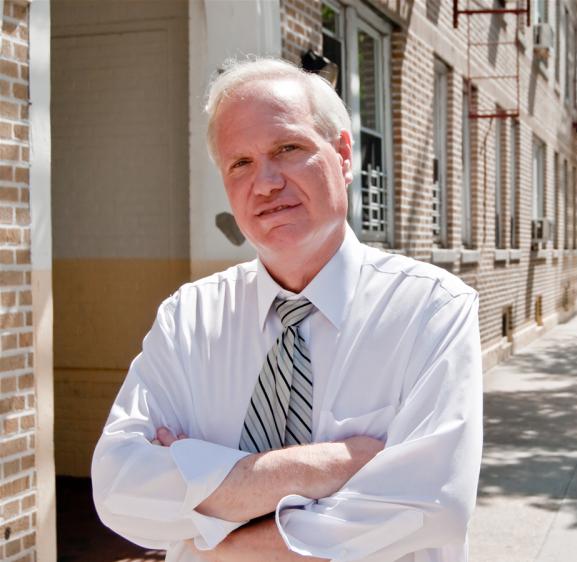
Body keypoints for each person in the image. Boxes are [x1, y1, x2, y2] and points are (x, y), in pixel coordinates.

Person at [91, 57, 483, 562]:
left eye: (288, 148)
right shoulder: (188, 317)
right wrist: (329, 466)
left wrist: (214, 520)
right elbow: (118, 485)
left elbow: (432, 505)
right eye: (241, 163)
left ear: (343, 154)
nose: (267, 182)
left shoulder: (430, 309)